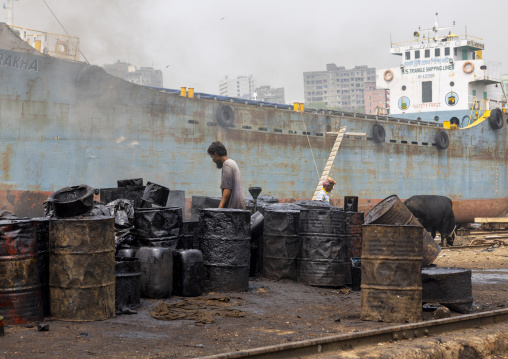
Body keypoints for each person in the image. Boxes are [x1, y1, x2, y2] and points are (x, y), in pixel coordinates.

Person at [207, 141, 246, 210]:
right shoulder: (232, 162)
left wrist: (219, 208)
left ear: (216, 154)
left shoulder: (227, 164)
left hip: (234, 208)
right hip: (239, 206)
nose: (213, 160)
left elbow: (227, 189)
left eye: (212, 156)